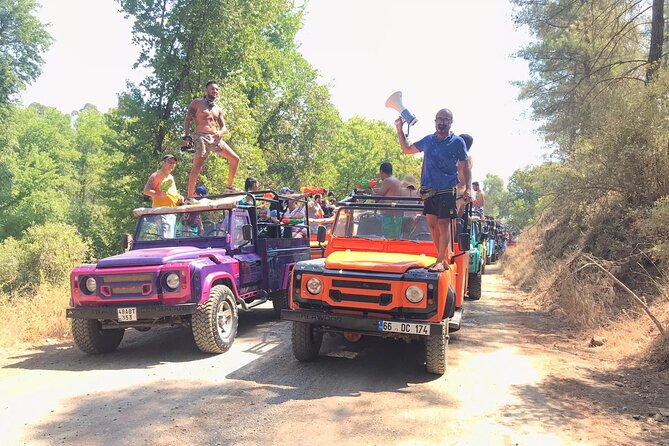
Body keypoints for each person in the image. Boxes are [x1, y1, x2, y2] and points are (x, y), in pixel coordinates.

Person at [395, 108, 471, 272]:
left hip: (447, 188)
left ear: (451, 122)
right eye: (439, 119)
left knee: (443, 224)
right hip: (429, 189)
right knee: (432, 225)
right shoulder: (428, 140)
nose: (442, 122)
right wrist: (399, 129)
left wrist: (468, 188)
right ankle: (442, 258)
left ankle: (439, 260)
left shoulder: (458, 142)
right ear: (435, 122)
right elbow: (406, 149)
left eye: (446, 119)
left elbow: (465, 167)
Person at [182, 80, 240, 198]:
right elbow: (188, 119)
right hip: (202, 137)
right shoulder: (197, 103)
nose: (215, 91)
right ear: (206, 90)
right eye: (212, 89)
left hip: (215, 138)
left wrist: (220, 132)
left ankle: (229, 187)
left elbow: (224, 127)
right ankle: (190, 196)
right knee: (198, 166)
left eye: (217, 89)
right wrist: (187, 136)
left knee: (235, 159)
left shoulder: (217, 109)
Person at [143, 154, 184, 238]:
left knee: (171, 238)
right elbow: (146, 191)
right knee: (165, 238)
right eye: (169, 162)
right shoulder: (156, 175)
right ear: (163, 162)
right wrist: (158, 194)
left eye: (173, 163)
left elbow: (171, 192)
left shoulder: (171, 177)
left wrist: (179, 197)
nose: (172, 164)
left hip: (171, 212)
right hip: (161, 212)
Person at [456, 133, 474, 217]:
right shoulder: (470, 157)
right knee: (456, 220)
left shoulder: (463, 157)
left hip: (456, 192)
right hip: (463, 192)